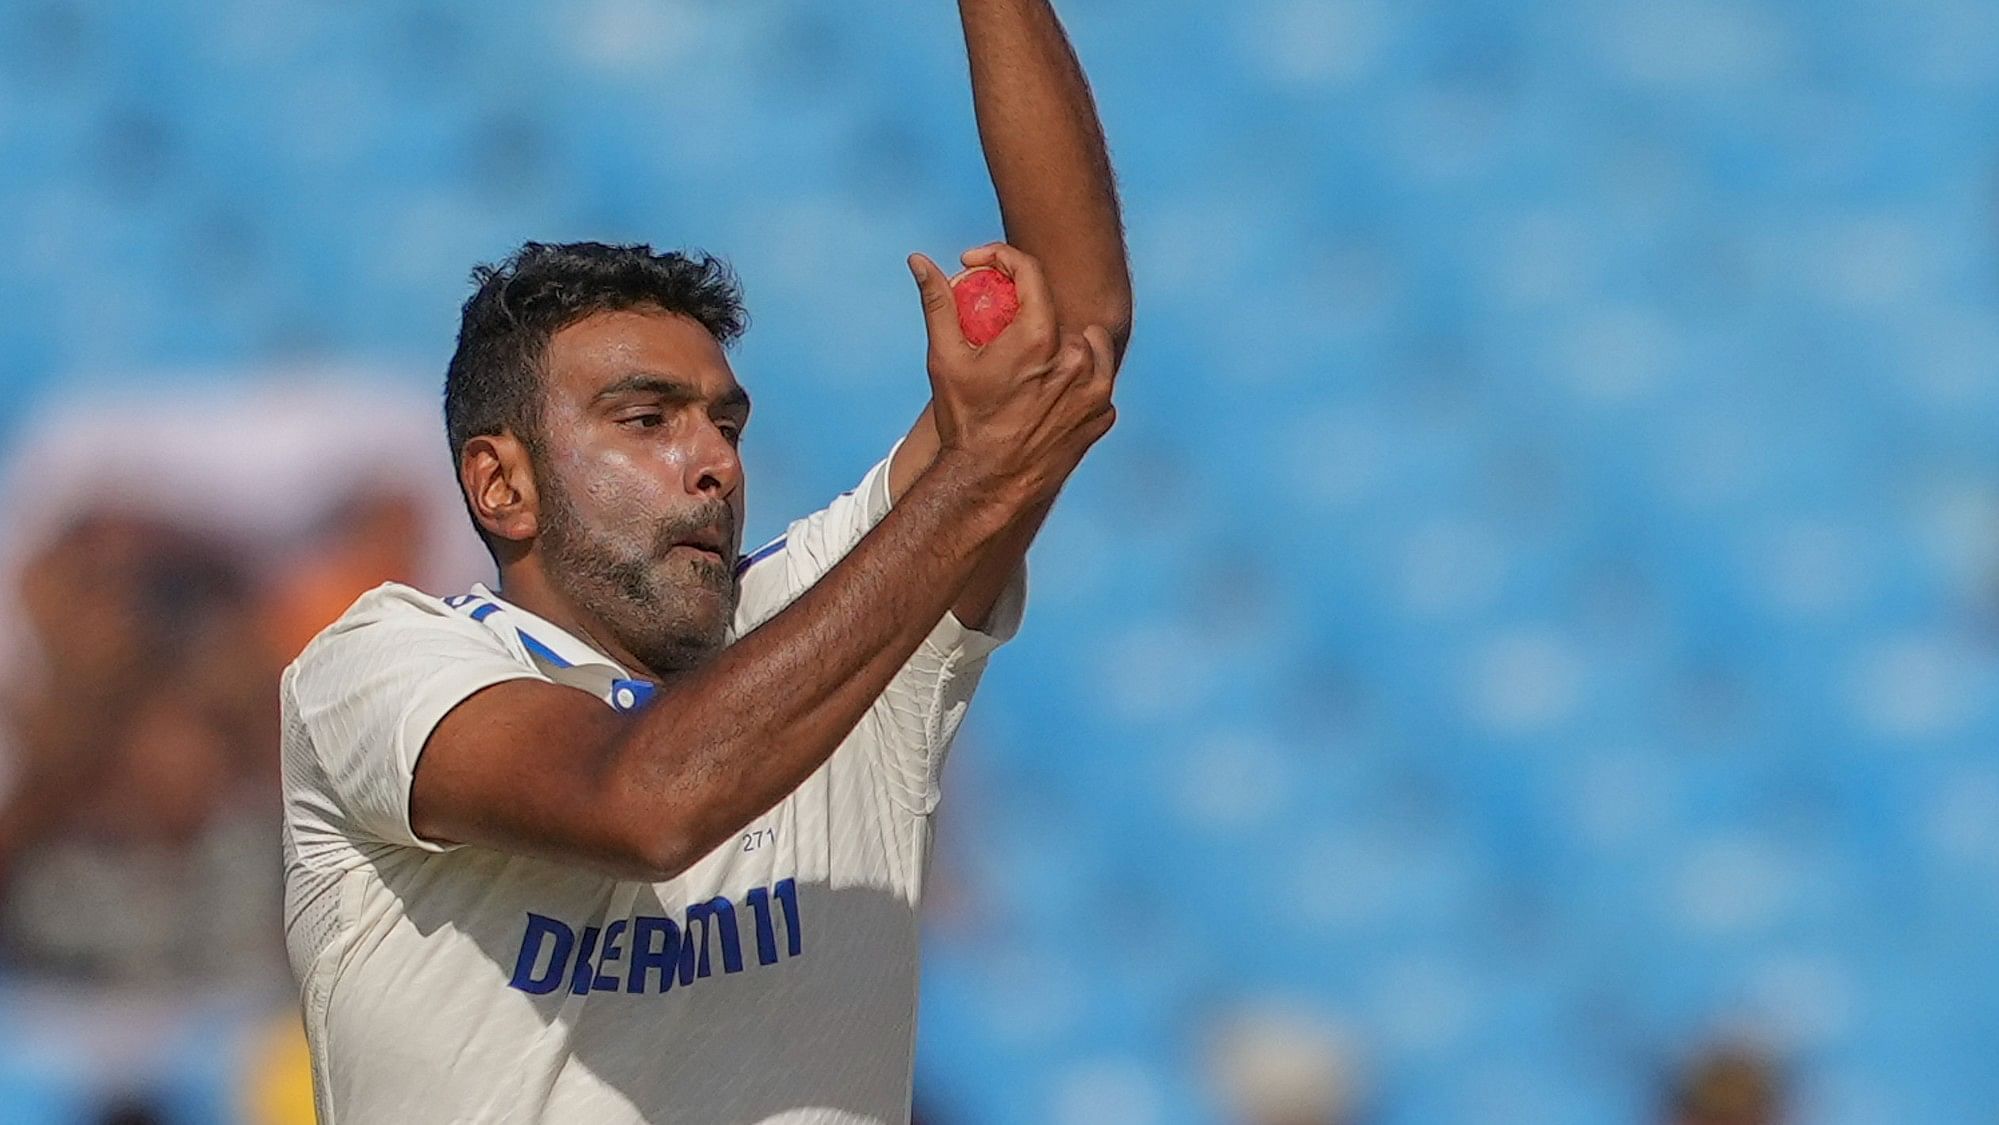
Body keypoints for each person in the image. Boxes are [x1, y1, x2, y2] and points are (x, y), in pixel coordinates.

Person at [279, 1, 1131, 1121]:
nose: (713, 463)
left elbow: (1068, 335)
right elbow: (645, 802)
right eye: (645, 420)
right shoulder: (379, 667)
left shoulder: (837, 626)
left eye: (723, 423)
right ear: (500, 483)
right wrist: (974, 484)